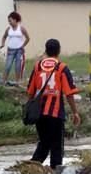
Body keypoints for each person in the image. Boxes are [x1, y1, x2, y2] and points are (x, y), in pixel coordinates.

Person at [26, 39, 81, 167]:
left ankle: (30, 169)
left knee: (44, 143)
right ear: (59, 51)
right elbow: (69, 94)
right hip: (56, 114)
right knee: (56, 147)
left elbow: (30, 91)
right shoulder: (62, 68)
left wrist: (29, 107)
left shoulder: (37, 66)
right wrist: (75, 112)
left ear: (46, 50)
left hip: (39, 113)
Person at [0, 11, 30, 86]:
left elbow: (28, 38)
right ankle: (3, 81)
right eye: (9, 21)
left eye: (10, 20)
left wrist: (23, 45)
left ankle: (17, 82)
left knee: (17, 66)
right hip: (10, 50)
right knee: (8, 65)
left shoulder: (21, 29)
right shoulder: (8, 29)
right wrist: (2, 44)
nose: (9, 22)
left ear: (15, 20)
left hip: (19, 50)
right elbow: (4, 36)